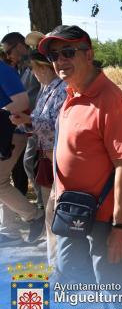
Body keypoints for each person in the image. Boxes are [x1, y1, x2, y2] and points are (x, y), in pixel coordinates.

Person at [37, 25, 122, 309]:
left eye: (68, 52)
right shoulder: (69, 94)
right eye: (54, 55)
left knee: (110, 291)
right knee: (71, 278)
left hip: (102, 219)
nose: (60, 61)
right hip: (70, 213)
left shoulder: (110, 98)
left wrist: (119, 228)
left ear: (88, 54)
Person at [9, 33, 67, 263]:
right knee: (50, 212)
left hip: (56, 157)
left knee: (54, 211)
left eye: (34, 68)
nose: (32, 73)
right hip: (46, 156)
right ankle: (55, 260)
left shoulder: (60, 89)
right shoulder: (46, 88)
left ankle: (59, 264)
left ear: (43, 68)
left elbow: (56, 123)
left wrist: (27, 121)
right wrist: (27, 122)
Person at [0, 60, 45, 246]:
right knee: (3, 182)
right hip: (5, 132)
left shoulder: (3, 70)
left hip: (10, 133)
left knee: (0, 183)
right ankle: (9, 230)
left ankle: (35, 216)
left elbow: (22, 102)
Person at [2, 32, 43, 209]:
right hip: (26, 124)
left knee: (32, 163)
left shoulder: (33, 66)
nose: (8, 56)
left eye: (9, 51)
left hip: (39, 123)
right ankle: (39, 205)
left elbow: (41, 93)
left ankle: (41, 207)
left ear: (20, 46)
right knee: (26, 165)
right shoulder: (19, 68)